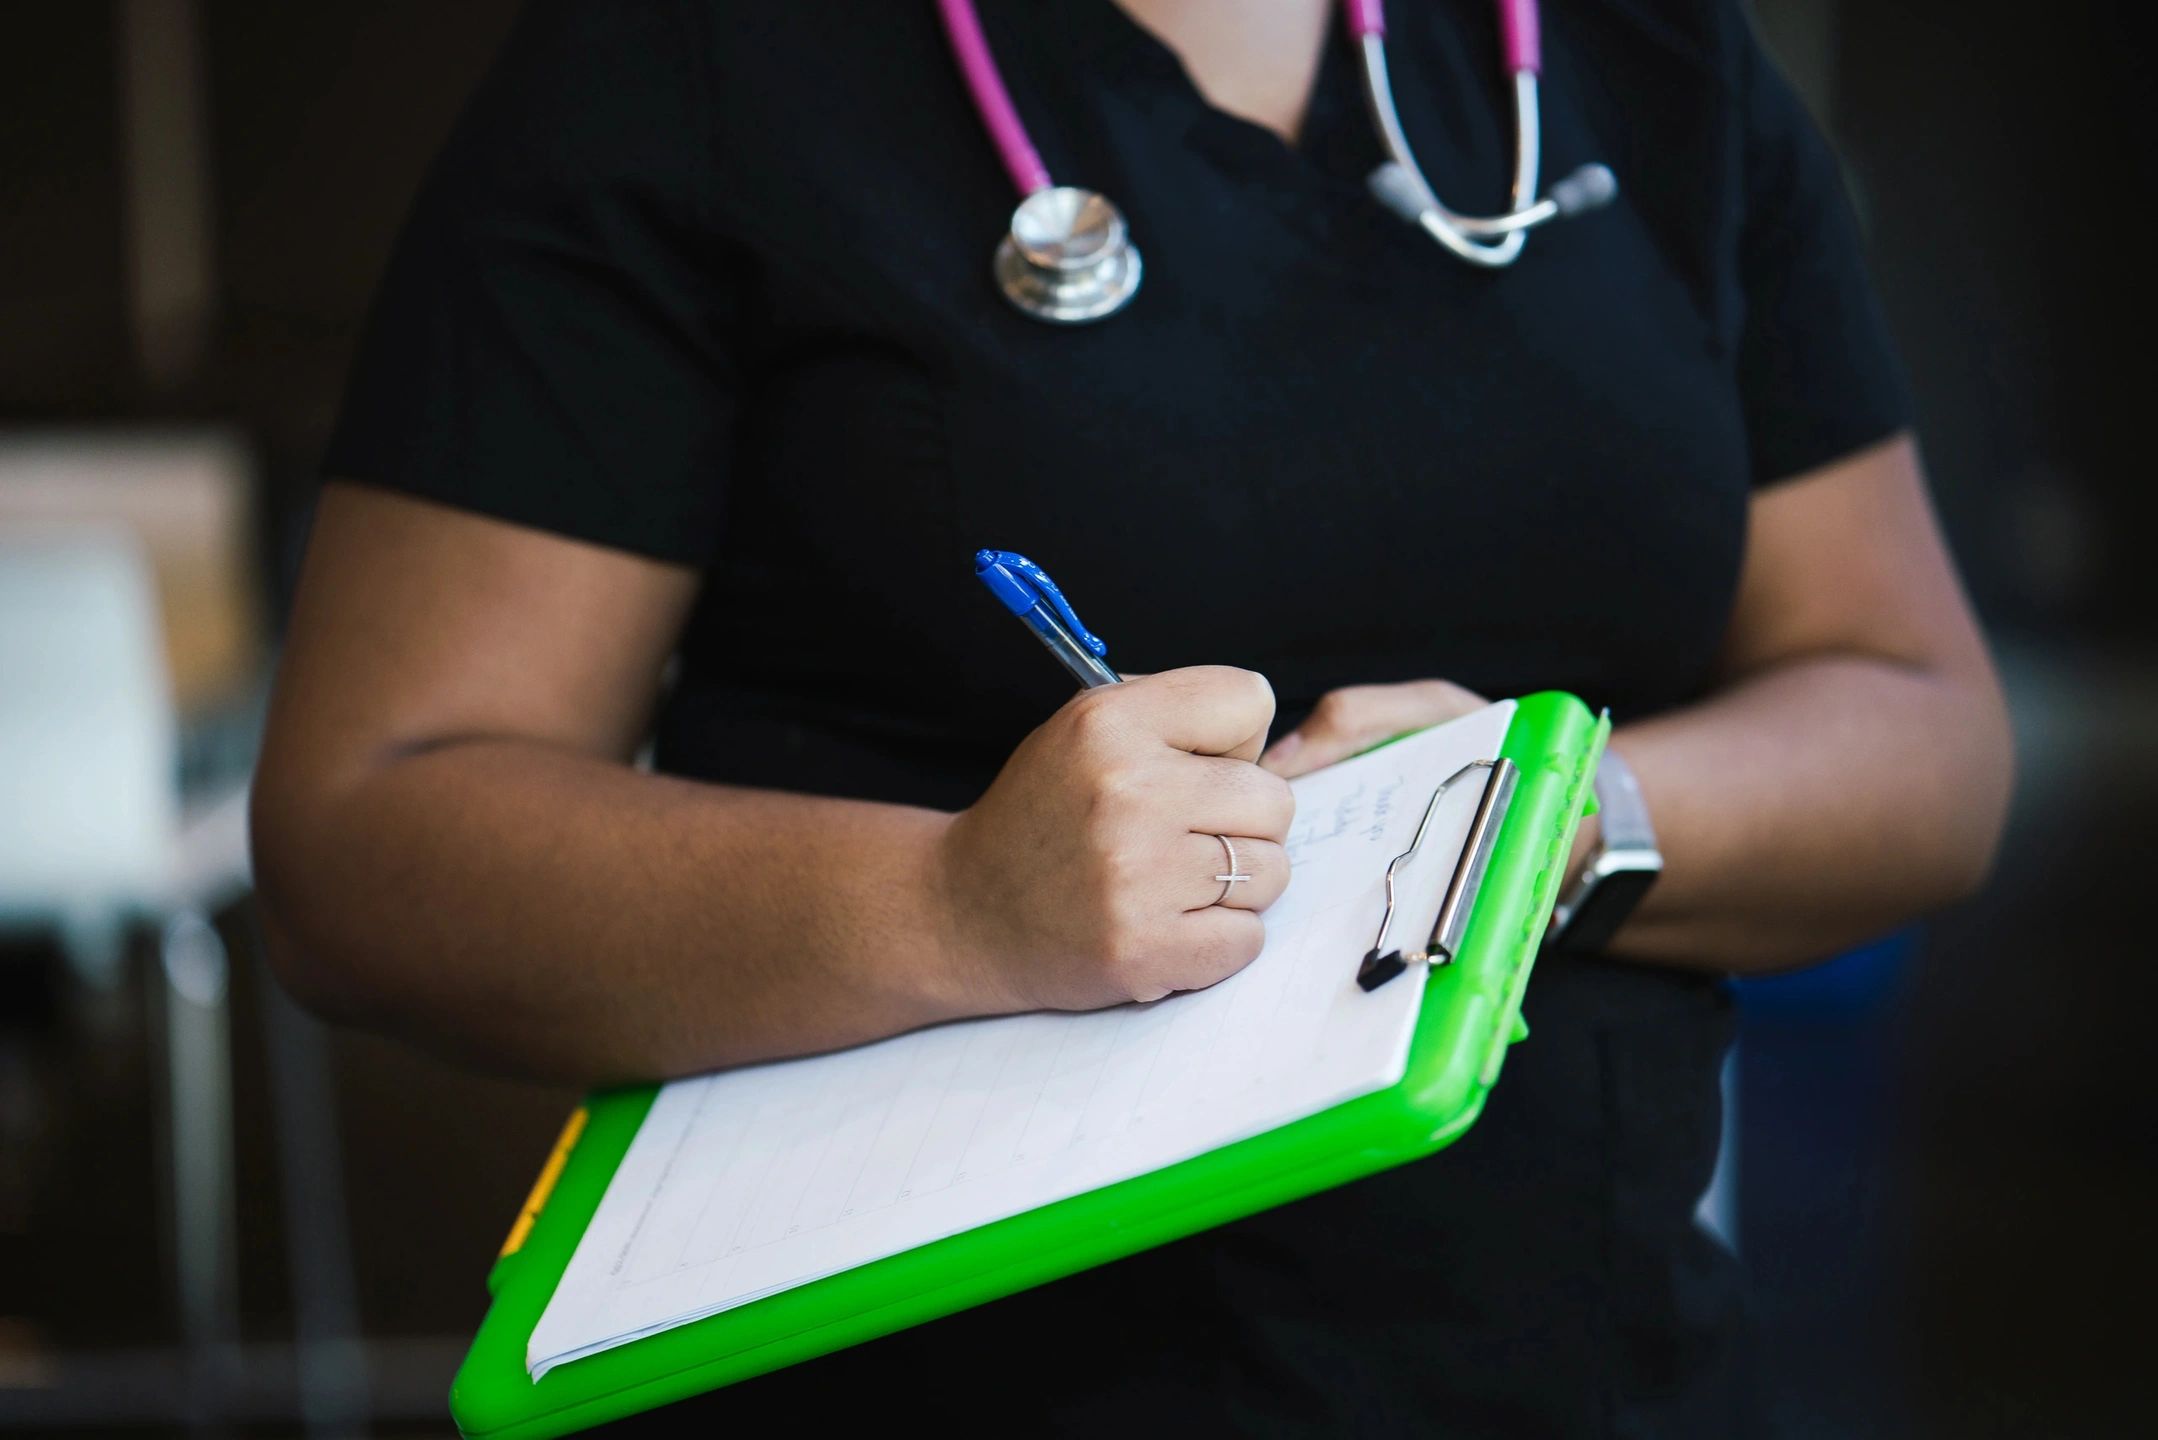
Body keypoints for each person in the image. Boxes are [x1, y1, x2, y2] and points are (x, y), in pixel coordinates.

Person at [251, 1, 2013, 1433]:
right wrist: (950, 905)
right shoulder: (693, 68)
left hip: (1578, 1363)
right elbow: (368, 838)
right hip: (914, 1385)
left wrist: (1544, 811)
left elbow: (1923, 732)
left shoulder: (1657, 62)